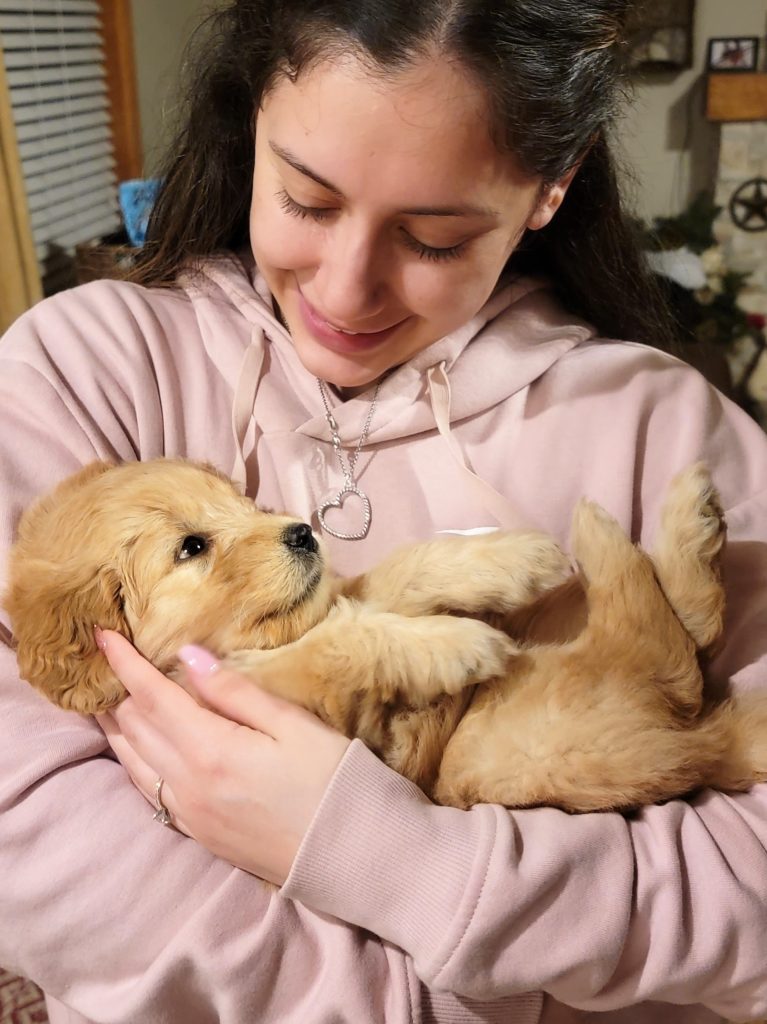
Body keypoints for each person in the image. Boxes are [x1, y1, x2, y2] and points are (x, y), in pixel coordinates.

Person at [1, 1, 766, 1022]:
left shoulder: (657, 426)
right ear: (250, 125)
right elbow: (37, 833)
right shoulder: (80, 369)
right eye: (306, 201)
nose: (347, 289)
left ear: (549, 189)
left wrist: (409, 867)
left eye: (433, 237)